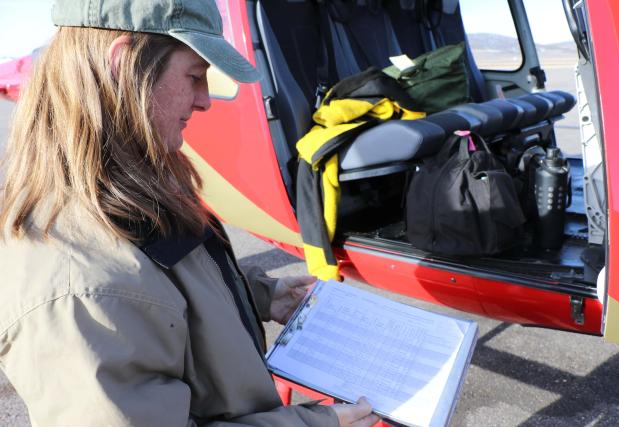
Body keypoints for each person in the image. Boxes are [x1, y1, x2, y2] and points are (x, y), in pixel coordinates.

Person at [0, 0, 380, 426]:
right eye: (195, 76)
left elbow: (157, 288)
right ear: (123, 66)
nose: (205, 101)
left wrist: (258, 295)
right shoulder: (79, 292)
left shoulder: (130, 177)